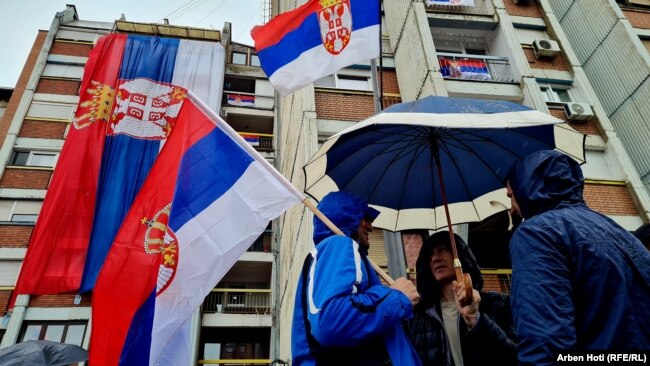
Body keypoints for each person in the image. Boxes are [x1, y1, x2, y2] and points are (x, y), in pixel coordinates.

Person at [505, 150, 650, 365]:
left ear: (526, 188)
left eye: (510, 195)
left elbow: (545, 339)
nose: (510, 205)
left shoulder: (536, 233)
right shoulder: (614, 228)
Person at [291, 191, 422, 365]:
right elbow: (331, 320)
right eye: (364, 218)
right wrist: (397, 297)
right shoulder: (339, 244)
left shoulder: (337, 256)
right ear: (347, 218)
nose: (370, 226)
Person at [407, 231, 517, 366]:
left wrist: (476, 320)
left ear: (459, 254)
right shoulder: (418, 317)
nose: (434, 259)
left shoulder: (498, 304)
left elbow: (515, 356)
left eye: (442, 250)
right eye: (430, 255)